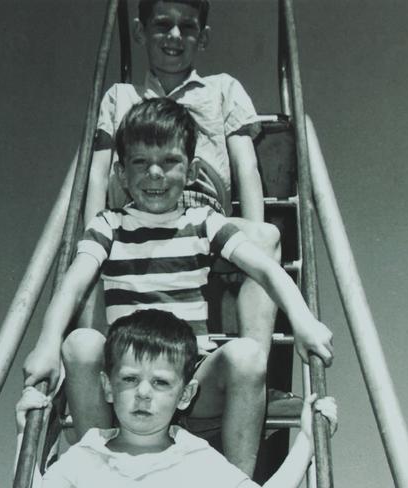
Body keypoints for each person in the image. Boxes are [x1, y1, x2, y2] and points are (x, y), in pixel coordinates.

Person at [23, 98, 333, 475]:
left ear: (191, 172)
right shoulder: (108, 225)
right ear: (121, 173)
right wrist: (46, 343)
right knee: (79, 343)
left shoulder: (202, 221)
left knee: (248, 356)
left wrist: (303, 321)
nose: (155, 173)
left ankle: (237, 481)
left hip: (191, 381)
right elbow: (71, 288)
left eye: (169, 161)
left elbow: (266, 270)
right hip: (130, 381)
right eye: (140, 162)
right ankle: (101, 471)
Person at [81, 0, 283, 371]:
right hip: (132, 215)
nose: (174, 36)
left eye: (187, 27)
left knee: (266, 239)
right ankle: (93, 369)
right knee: (86, 264)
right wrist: (91, 238)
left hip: (200, 219)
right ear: (141, 31)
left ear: (202, 38)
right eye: (163, 24)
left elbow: (246, 165)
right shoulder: (120, 96)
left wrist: (248, 237)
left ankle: (253, 369)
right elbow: (97, 172)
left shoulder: (223, 89)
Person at [16, 309, 338, 488]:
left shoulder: (194, 457)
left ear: (185, 395)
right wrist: (23, 438)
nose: (143, 393)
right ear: (108, 387)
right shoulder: (87, 453)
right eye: (129, 379)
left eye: (160, 383)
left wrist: (307, 441)